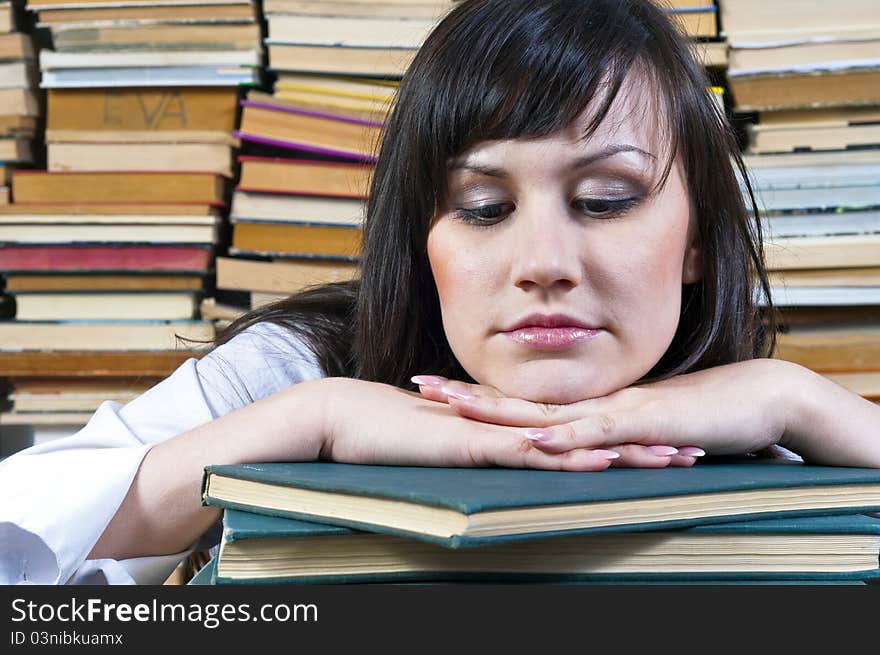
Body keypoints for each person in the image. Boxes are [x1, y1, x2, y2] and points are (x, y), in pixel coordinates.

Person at [2, 0, 879, 586]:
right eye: (484, 206)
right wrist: (314, 420)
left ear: (695, 241)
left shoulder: (765, 424)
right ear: (425, 242)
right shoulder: (298, 368)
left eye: (605, 200)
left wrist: (798, 398)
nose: (543, 261)